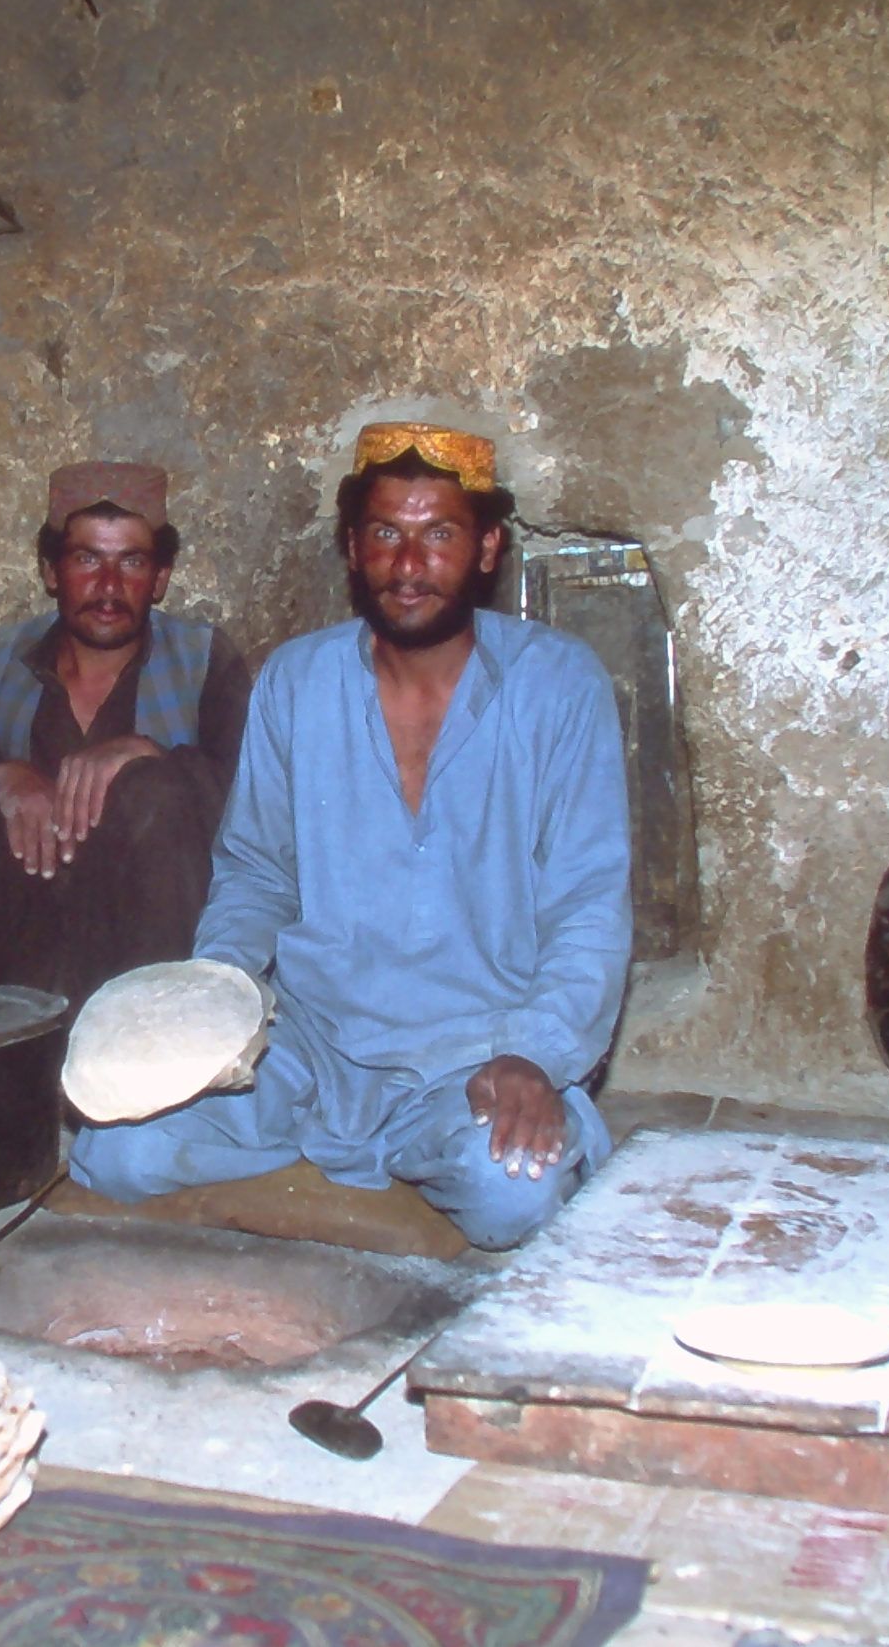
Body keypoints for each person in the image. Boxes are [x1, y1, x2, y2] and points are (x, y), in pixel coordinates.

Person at [69, 423, 632, 1249]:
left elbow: (589, 902)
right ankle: (355, 1160)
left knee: (513, 1189)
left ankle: (387, 1157)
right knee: (115, 1152)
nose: (409, 564)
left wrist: (537, 1058)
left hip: (474, 1054)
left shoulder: (559, 683)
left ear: (487, 548)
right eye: (385, 534)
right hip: (311, 1047)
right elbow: (256, 872)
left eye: (439, 535)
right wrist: (218, 1005)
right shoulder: (296, 680)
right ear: (351, 546)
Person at [0, 461, 251, 1011]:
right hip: (14, 946)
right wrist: (2, 775)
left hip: (144, 946)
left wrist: (149, 756)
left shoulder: (203, 662)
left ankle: (132, 1035)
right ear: (51, 571)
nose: (109, 586)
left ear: (160, 579)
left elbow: (254, 806)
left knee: (157, 793)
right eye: (86, 559)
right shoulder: (2, 660)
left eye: (132, 561)